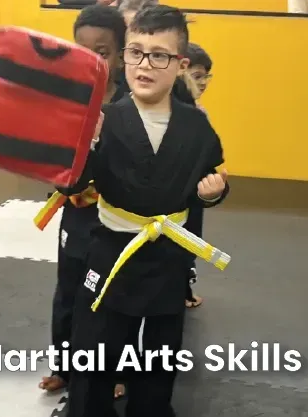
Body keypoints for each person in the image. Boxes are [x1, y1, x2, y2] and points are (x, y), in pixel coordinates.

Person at [63, 5, 230, 417]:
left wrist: (214, 192)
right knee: (96, 349)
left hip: (166, 257)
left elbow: (211, 175)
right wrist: (89, 146)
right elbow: (72, 183)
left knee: (160, 353)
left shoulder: (197, 126)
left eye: (159, 55)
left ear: (180, 64)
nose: (144, 64)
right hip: (111, 250)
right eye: (136, 52)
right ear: (124, 57)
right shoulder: (107, 118)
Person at [38, 4, 128, 397]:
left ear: (122, 56)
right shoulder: (68, 99)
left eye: (103, 51)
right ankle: (64, 365)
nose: (92, 60)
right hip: (76, 215)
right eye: (83, 50)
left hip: (120, 218)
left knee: (114, 297)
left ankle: (115, 371)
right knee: (69, 292)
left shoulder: (131, 104)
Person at [182, 42, 214, 308]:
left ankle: (184, 286)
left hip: (194, 192)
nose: (203, 83)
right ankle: (181, 288)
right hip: (177, 194)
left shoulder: (199, 113)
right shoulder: (179, 113)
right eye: (197, 76)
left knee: (191, 236)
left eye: (206, 77)